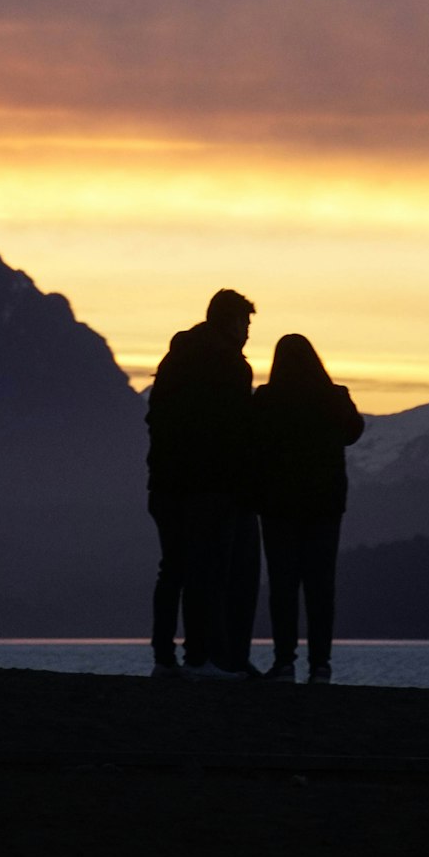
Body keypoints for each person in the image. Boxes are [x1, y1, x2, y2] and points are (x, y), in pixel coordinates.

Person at [145, 288, 260, 679]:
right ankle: (200, 658)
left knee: (172, 569)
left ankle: (164, 659)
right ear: (229, 321)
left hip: (165, 483)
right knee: (206, 572)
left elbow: (155, 417)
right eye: (244, 323)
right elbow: (237, 430)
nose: (247, 333)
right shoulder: (231, 365)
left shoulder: (176, 356)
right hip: (211, 484)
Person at [253, 334, 364, 683]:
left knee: (283, 586)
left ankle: (284, 662)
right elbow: (353, 432)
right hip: (325, 506)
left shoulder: (267, 399)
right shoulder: (334, 397)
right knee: (321, 586)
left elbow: (249, 438)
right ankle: (321, 666)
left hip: (277, 507)